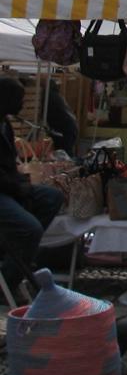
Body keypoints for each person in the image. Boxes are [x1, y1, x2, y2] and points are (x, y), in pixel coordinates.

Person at [0, 77, 62, 299]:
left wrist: (21, 184)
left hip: (9, 187)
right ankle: (8, 278)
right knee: (30, 229)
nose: (22, 104)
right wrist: (18, 188)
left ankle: (16, 254)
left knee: (52, 197)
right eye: (19, 99)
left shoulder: (5, 124)